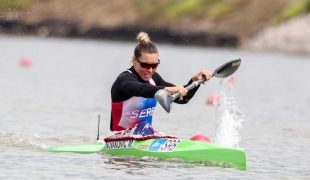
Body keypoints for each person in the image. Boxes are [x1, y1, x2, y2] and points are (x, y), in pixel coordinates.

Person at [110, 32, 212, 132]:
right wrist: (166, 89)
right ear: (134, 61)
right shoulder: (124, 79)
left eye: (154, 65)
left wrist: (195, 81)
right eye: (145, 65)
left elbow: (183, 99)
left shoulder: (154, 79)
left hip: (145, 137)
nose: (150, 70)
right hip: (119, 140)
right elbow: (140, 89)